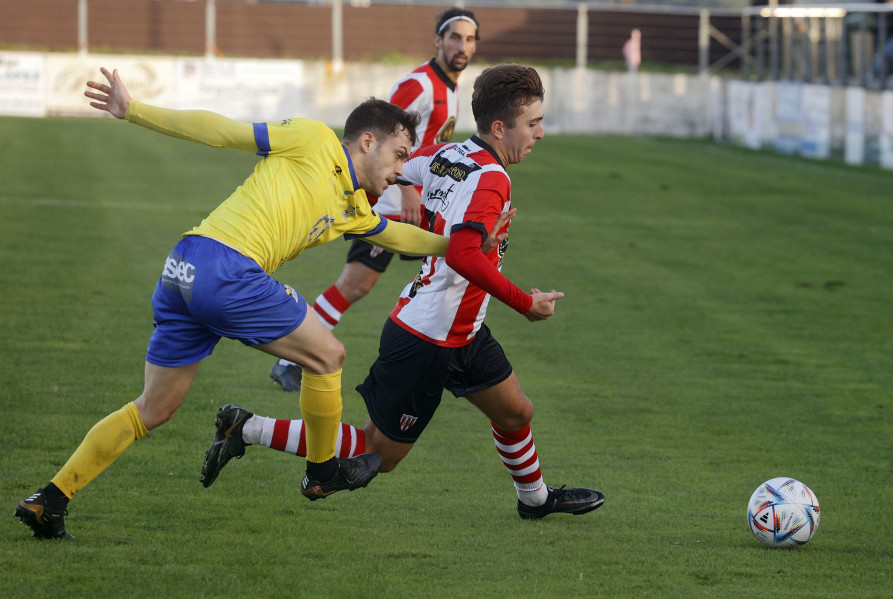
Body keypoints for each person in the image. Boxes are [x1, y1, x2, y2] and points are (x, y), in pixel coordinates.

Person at [14, 66, 458, 540]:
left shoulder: (355, 209)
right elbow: (223, 132)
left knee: (154, 407)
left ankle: (50, 499)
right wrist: (134, 110)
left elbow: (396, 234)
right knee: (328, 356)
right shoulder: (312, 139)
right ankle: (322, 472)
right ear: (367, 141)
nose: (400, 172)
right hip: (226, 269)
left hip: (183, 267)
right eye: (399, 156)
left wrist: (460, 245)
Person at [202, 64, 605, 520]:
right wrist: (525, 303)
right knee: (379, 451)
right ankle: (246, 427)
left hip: (464, 331)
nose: (541, 133)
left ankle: (535, 501)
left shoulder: (449, 153)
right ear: (500, 127)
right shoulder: (493, 178)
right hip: (426, 339)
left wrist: (382, 201)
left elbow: (395, 169)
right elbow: (464, 256)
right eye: (533, 123)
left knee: (515, 412)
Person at [270, 7, 480, 392]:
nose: (462, 45)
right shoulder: (420, 84)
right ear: (438, 40)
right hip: (392, 202)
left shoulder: (448, 88)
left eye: (469, 39)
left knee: (438, 277)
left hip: (415, 203)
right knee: (361, 283)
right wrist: (408, 189)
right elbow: (387, 136)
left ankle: (442, 361)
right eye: (454, 37)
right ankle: (291, 359)